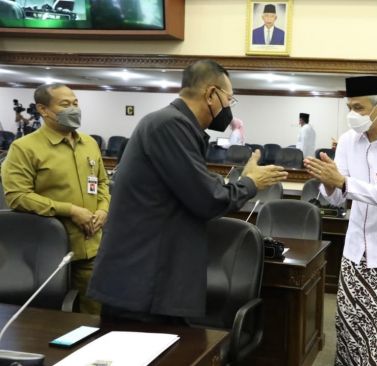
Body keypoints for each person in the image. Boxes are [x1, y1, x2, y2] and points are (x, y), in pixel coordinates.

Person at [87, 60, 288, 324]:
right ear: (211, 94)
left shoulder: (175, 125)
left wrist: (243, 180)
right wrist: (251, 183)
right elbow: (208, 200)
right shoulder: (170, 125)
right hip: (142, 284)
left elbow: (194, 184)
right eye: (230, 99)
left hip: (153, 279)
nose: (229, 107)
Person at [304, 76, 377, 365]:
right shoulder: (347, 141)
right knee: (349, 331)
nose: (352, 114)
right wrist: (328, 183)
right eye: (350, 107)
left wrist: (342, 181)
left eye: (358, 107)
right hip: (354, 253)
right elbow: (336, 200)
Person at [1, 83, 110, 314]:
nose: (74, 108)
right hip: (49, 251)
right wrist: (69, 210)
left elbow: (101, 183)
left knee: (94, 314)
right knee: (51, 319)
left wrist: (103, 209)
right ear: (43, 109)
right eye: (65, 104)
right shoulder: (24, 148)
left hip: (91, 245)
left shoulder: (88, 143)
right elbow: (17, 196)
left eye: (75, 103)